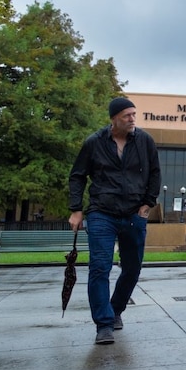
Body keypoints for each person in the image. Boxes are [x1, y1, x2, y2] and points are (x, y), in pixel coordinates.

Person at [68, 96, 161, 345]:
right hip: (101, 212)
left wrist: (147, 203)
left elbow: (154, 172)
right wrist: (76, 209)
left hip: (134, 213)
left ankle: (116, 309)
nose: (132, 119)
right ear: (113, 119)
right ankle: (104, 324)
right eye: (126, 116)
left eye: (134, 114)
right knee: (100, 266)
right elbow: (77, 176)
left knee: (132, 268)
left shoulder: (145, 141)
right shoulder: (94, 143)